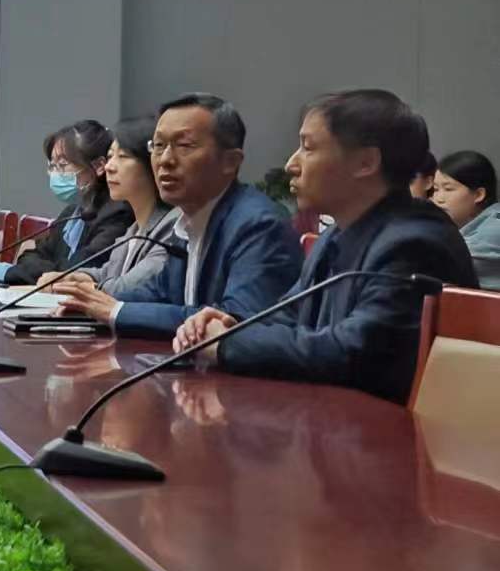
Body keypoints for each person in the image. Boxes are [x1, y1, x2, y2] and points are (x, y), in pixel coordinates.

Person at [176, 90, 477, 404]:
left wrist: (227, 344)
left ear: (366, 162)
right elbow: (287, 317)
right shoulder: (336, 233)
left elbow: (353, 352)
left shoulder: (415, 244)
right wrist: (231, 326)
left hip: (395, 430)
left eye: (307, 148)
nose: (291, 164)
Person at [54, 93, 300, 337]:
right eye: (158, 146)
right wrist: (89, 304)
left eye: (184, 146)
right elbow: (159, 292)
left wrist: (116, 311)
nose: (165, 160)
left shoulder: (258, 225)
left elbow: (234, 320)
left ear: (230, 161)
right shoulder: (189, 220)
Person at [0, 119, 131, 284]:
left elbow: (73, 272)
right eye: (52, 166)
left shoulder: (116, 214)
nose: (55, 174)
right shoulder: (71, 213)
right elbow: (30, 256)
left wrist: (14, 272)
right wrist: (51, 268)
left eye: (62, 165)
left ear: (99, 166)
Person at [55, 116, 181, 295]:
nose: (109, 167)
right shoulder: (134, 229)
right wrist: (75, 277)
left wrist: (79, 288)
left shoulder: (172, 228)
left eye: (122, 156)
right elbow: (107, 272)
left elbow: (129, 287)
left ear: (152, 162)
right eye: (110, 156)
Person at [430, 149, 500, 289]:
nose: (438, 199)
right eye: (436, 189)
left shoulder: (494, 229)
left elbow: (434, 264)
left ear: (478, 195)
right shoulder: (456, 226)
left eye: (448, 189)